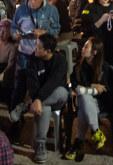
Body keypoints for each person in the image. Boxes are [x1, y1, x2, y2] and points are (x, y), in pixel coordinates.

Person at [7, 34, 67, 162]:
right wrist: (37, 100)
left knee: (60, 91)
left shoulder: (60, 61)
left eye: (39, 47)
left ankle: (27, 107)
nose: (35, 49)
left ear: (48, 51)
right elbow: (32, 82)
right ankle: (41, 145)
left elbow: (53, 83)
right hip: (42, 100)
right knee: (43, 108)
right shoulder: (33, 60)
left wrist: (37, 100)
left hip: (58, 98)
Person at [9, 0, 61, 129]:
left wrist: (44, 31)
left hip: (44, 55)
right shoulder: (21, 9)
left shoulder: (51, 10)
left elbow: (57, 29)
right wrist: (15, 34)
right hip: (25, 52)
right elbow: (14, 27)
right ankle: (14, 122)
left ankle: (44, 121)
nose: (31, 1)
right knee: (19, 85)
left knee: (43, 86)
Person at [64, 37, 113, 160]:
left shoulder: (104, 67)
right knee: (85, 97)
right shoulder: (79, 67)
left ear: (94, 52)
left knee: (83, 106)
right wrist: (92, 86)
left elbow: (107, 90)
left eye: (86, 47)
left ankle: (78, 143)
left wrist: (85, 89)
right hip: (86, 101)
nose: (82, 49)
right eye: (83, 46)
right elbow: (72, 85)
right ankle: (96, 132)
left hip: (100, 103)